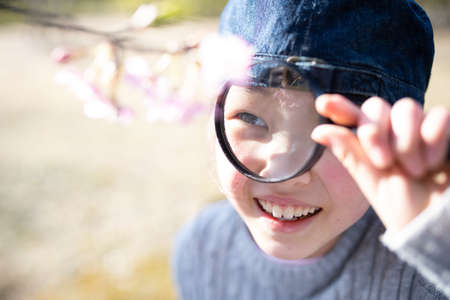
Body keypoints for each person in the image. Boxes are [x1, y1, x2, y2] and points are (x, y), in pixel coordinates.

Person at [172, 0, 450, 299]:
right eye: (251, 118)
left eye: (335, 125)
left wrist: (439, 243)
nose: (283, 173)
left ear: (396, 138)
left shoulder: (427, 271)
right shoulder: (201, 249)